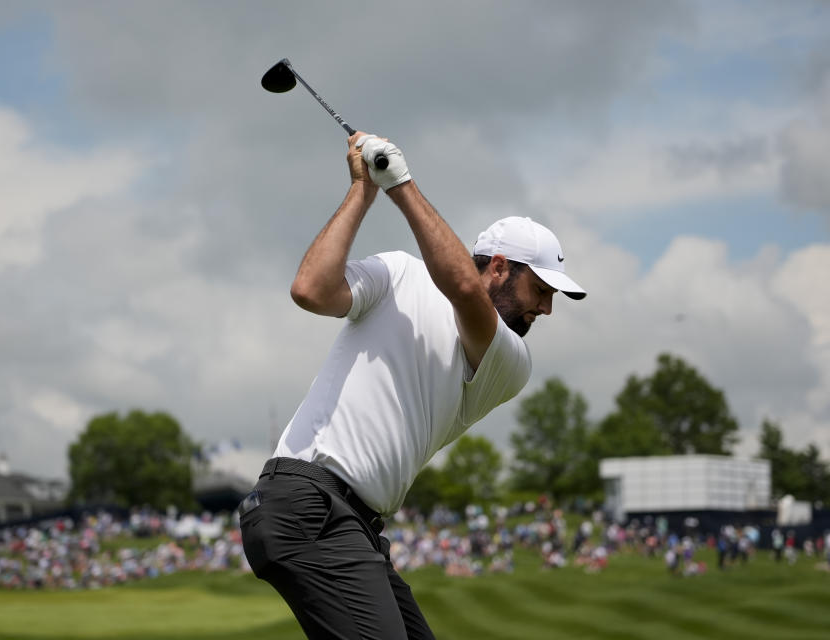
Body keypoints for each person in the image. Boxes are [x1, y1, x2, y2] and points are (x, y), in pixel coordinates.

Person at [239, 132, 586, 639]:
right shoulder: (400, 272)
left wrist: (401, 183)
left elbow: (465, 292)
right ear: (500, 267)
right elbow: (311, 290)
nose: (547, 308)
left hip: (350, 524)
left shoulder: (511, 360)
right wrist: (364, 188)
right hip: (305, 501)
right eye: (540, 289)